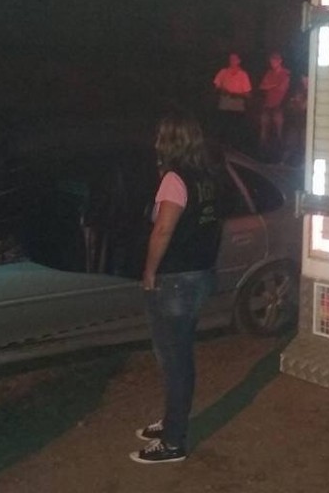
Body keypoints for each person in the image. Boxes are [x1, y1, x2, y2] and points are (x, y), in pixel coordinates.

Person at [130, 111, 223, 464]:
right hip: (200, 274)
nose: (155, 141)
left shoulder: (175, 178)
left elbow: (163, 230)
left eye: (160, 136)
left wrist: (149, 271)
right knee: (178, 355)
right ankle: (172, 421)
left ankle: (172, 442)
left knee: (174, 360)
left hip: (176, 280)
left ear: (170, 141)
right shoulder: (208, 175)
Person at [212, 52, 251, 150]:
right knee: (223, 128)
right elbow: (216, 87)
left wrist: (236, 95)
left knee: (235, 130)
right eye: (230, 59)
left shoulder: (243, 74)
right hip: (224, 105)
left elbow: (247, 94)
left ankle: (235, 149)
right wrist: (222, 90)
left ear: (239, 61)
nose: (232, 61)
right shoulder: (223, 72)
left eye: (234, 59)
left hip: (237, 107)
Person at [258, 52, 291, 160]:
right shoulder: (269, 73)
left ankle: (280, 154)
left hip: (279, 105)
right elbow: (262, 86)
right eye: (271, 61)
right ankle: (263, 153)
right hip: (268, 104)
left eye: (275, 61)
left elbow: (283, 87)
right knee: (264, 130)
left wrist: (270, 85)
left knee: (279, 130)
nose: (272, 63)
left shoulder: (286, 73)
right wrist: (274, 85)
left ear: (280, 61)